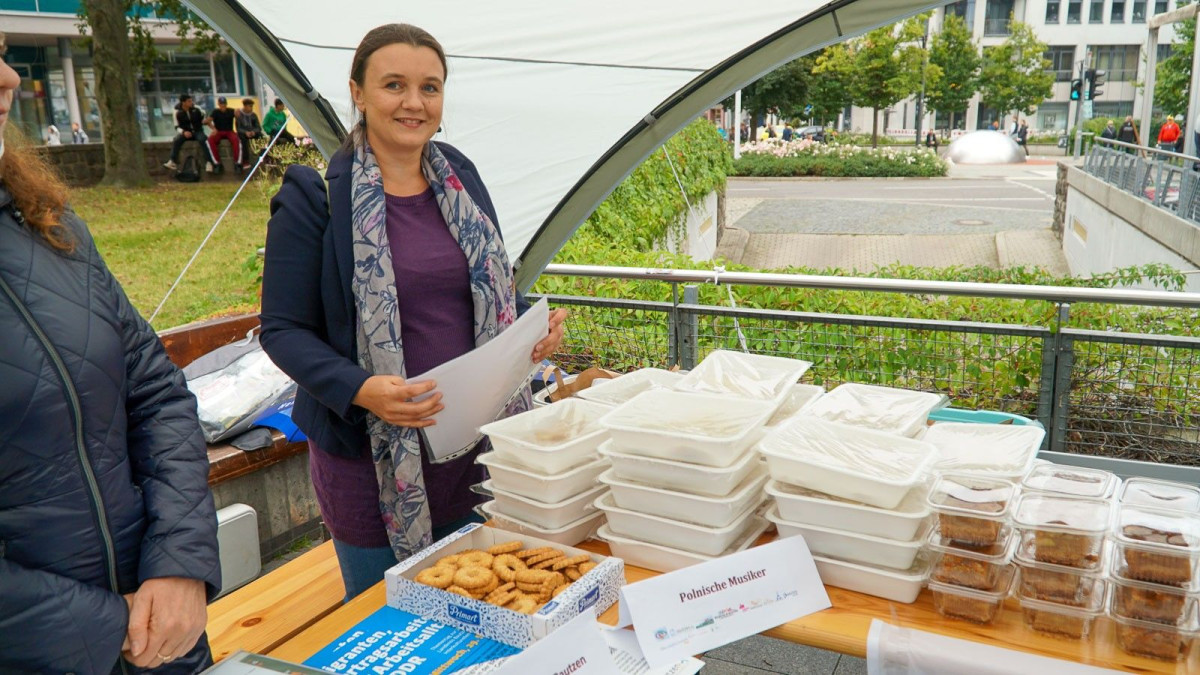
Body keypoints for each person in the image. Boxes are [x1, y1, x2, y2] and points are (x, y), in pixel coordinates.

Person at [259, 23, 568, 600]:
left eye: (430, 87)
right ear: (357, 92)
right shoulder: (315, 196)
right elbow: (281, 330)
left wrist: (530, 326)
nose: (413, 103)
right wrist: (359, 388)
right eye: (394, 85)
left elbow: (489, 284)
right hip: (373, 463)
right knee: (391, 628)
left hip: (474, 450)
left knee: (484, 610)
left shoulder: (460, 176)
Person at [0, 30, 221, 673]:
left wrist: (179, 564)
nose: (10, 79)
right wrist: (106, 626)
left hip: (163, 634)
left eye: (6, 53)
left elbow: (154, 391)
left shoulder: (50, 226)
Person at [165, 93, 214, 172]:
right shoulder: (177, 112)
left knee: (203, 140)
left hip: (197, 131)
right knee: (177, 140)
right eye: (189, 101)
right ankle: (172, 160)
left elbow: (204, 116)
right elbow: (176, 126)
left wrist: (204, 122)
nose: (191, 103)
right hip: (186, 132)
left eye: (191, 101)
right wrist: (184, 132)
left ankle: (209, 162)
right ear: (183, 103)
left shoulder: (197, 109)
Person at [207, 96, 241, 173]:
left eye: (224, 103)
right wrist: (213, 129)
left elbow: (238, 116)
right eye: (221, 104)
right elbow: (207, 121)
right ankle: (217, 163)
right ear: (218, 104)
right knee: (210, 140)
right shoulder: (215, 112)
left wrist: (238, 113)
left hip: (229, 131)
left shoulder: (231, 111)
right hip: (219, 131)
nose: (223, 105)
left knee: (236, 140)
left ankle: (237, 163)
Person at [236, 98, 263, 169]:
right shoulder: (239, 115)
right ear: (245, 106)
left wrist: (254, 132)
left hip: (252, 132)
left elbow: (258, 127)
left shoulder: (253, 115)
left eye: (252, 106)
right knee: (243, 141)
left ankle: (265, 156)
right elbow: (238, 128)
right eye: (250, 106)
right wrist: (245, 132)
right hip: (244, 133)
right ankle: (245, 161)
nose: (251, 108)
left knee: (261, 137)